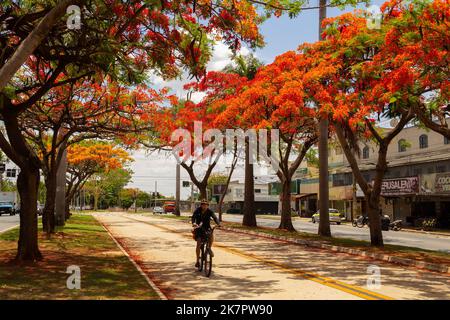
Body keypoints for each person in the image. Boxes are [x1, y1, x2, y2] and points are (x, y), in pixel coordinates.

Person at [191, 199, 220, 267]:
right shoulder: (197, 210)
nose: (204, 206)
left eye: (205, 205)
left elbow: (215, 217)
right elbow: (193, 217)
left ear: (207, 205)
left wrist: (218, 223)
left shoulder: (210, 211)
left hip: (207, 228)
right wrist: (194, 223)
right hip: (199, 228)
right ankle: (197, 261)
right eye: (203, 204)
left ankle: (209, 248)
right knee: (198, 243)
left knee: (211, 234)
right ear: (201, 205)